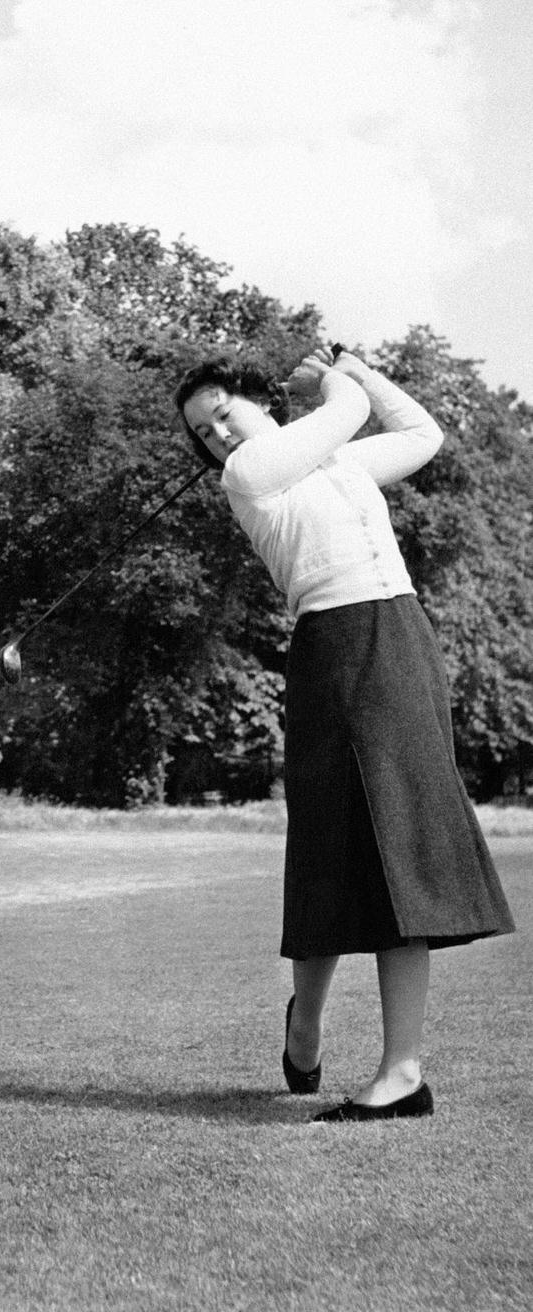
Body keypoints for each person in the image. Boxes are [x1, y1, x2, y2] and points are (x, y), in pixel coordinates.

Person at [176, 346, 513, 1121]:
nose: (219, 435)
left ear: (262, 401)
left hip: (399, 634)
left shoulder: (340, 464)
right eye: (204, 431)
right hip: (331, 647)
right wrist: (334, 380)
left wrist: (359, 366)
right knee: (330, 852)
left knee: (402, 846)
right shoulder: (249, 475)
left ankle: (402, 1072)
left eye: (225, 412)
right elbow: (349, 410)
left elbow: (422, 432)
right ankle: (307, 1024)